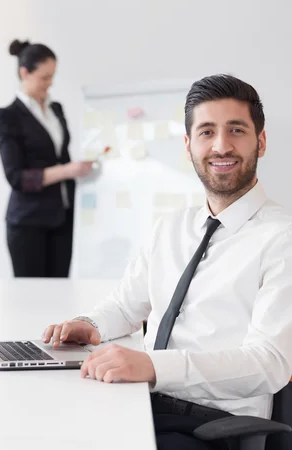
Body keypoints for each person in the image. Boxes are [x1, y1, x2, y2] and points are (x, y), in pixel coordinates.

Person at [42, 74, 292, 450]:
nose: (221, 146)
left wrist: (155, 367)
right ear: (189, 146)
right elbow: (127, 305)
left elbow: (269, 363)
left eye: (236, 130)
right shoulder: (171, 226)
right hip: (141, 402)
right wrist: (89, 325)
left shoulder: (282, 239)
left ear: (261, 141)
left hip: (216, 425)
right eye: (207, 132)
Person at [0, 39, 93, 278]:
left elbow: (61, 155)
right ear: (24, 73)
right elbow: (16, 177)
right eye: (44, 77)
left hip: (62, 218)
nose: (50, 84)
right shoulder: (8, 117)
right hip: (28, 223)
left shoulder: (56, 109)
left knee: (61, 296)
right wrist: (68, 171)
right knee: (31, 302)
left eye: (53, 76)